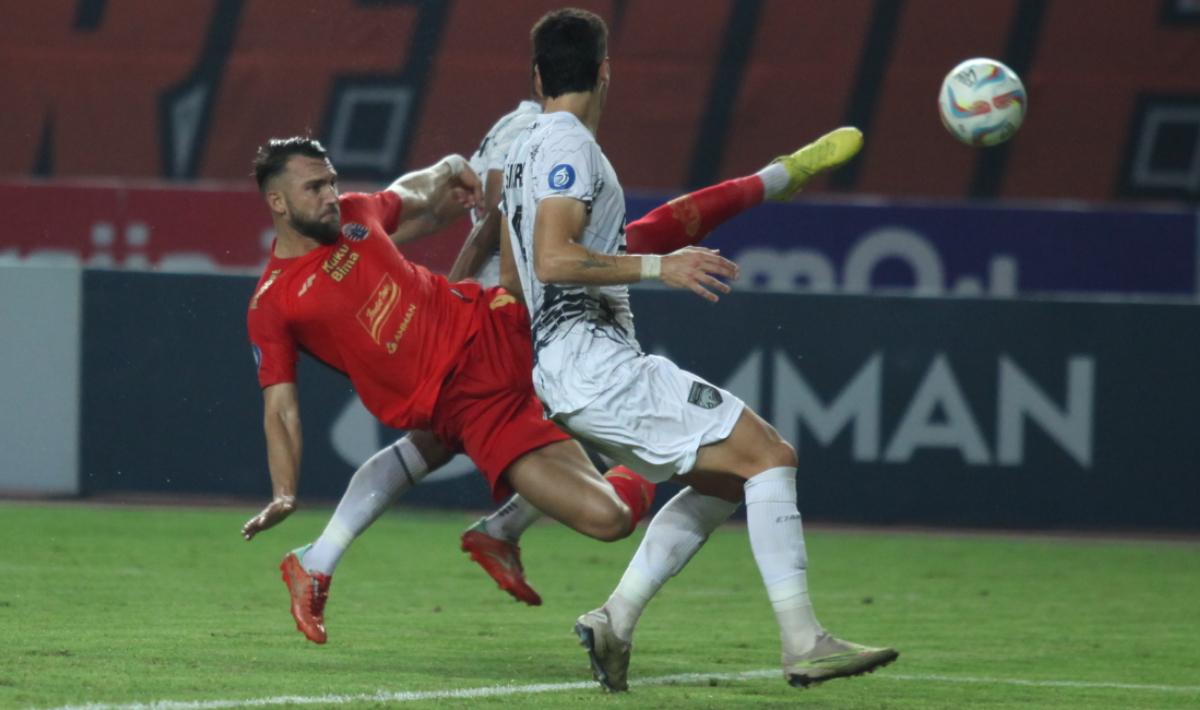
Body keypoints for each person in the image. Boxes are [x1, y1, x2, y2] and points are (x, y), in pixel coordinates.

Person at [278, 102, 869, 608]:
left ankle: (390, 548)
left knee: (453, 443)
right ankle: (773, 179)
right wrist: (464, 283)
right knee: (626, 306)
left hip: (514, 306)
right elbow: (494, 214)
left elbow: (456, 200)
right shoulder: (536, 129)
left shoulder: (538, 130)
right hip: (516, 306)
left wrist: (454, 194)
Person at [497, 8, 897, 691]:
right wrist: (663, 268)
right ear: (604, 71)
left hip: (567, 365)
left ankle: (614, 620)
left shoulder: (520, 152)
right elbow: (556, 259)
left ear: (537, 76)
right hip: (591, 360)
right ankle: (804, 641)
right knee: (770, 456)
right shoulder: (568, 146)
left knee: (725, 480)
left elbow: (515, 277)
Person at [241, 136, 697, 644]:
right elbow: (280, 409)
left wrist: (451, 166)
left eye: (331, 181)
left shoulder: (354, 214)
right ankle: (657, 457)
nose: (329, 193)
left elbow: (409, 192)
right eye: (313, 187)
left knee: (559, 249)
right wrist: (284, 492)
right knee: (613, 518)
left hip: (494, 322)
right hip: (472, 407)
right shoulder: (272, 304)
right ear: (277, 202)